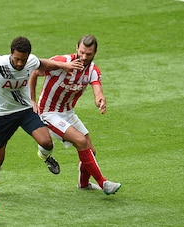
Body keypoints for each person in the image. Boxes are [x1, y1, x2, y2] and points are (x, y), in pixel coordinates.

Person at [0, 36, 76, 196]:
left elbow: (43, 63)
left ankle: (44, 156)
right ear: (11, 53)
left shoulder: (30, 61)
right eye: (17, 59)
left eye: (23, 60)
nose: (20, 64)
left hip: (24, 110)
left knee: (47, 142)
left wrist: (63, 65)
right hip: (0, 115)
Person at [29, 35, 121, 195]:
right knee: (80, 141)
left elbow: (97, 91)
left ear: (95, 53)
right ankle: (103, 182)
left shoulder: (93, 71)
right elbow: (35, 72)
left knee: (90, 151)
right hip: (48, 113)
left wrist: (100, 100)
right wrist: (32, 100)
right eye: (82, 52)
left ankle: (83, 184)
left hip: (67, 112)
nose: (84, 57)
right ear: (76, 48)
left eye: (89, 54)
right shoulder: (60, 62)